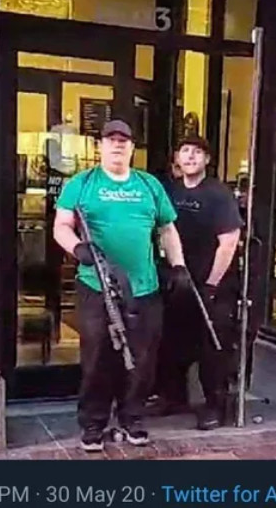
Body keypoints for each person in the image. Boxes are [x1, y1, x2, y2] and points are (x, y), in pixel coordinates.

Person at [53, 119, 190, 452]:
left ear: (132, 147)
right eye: (111, 139)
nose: (117, 145)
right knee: (98, 356)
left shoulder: (148, 184)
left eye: (124, 141)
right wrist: (77, 248)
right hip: (97, 285)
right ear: (100, 145)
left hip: (144, 288)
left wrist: (179, 265)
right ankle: (94, 424)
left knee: (142, 359)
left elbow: (167, 230)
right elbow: (61, 225)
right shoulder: (81, 183)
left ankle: (133, 417)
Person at [154, 135, 242, 430]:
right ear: (177, 158)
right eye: (185, 151)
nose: (190, 157)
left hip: (213, 284)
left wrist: (212, 285)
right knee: (172, 342)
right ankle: (173, 397)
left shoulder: (219, 194)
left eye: (197, 152)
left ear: (207, 159)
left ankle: (215, 405)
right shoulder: (170, 191)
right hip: (179, 281)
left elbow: (228, 242)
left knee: (212, 348)